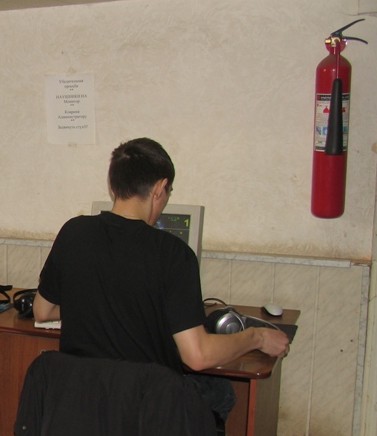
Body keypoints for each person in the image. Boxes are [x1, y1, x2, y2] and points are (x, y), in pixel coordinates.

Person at [33, 137, 290, 400]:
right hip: (149, 407)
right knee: (222, 393)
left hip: (82, 401)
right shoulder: (174, 254)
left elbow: (43, 311)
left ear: (113, 184)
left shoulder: (73, 232)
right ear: (159, 188)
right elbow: (197, 356)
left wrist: (96, 302)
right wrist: (257, 337)